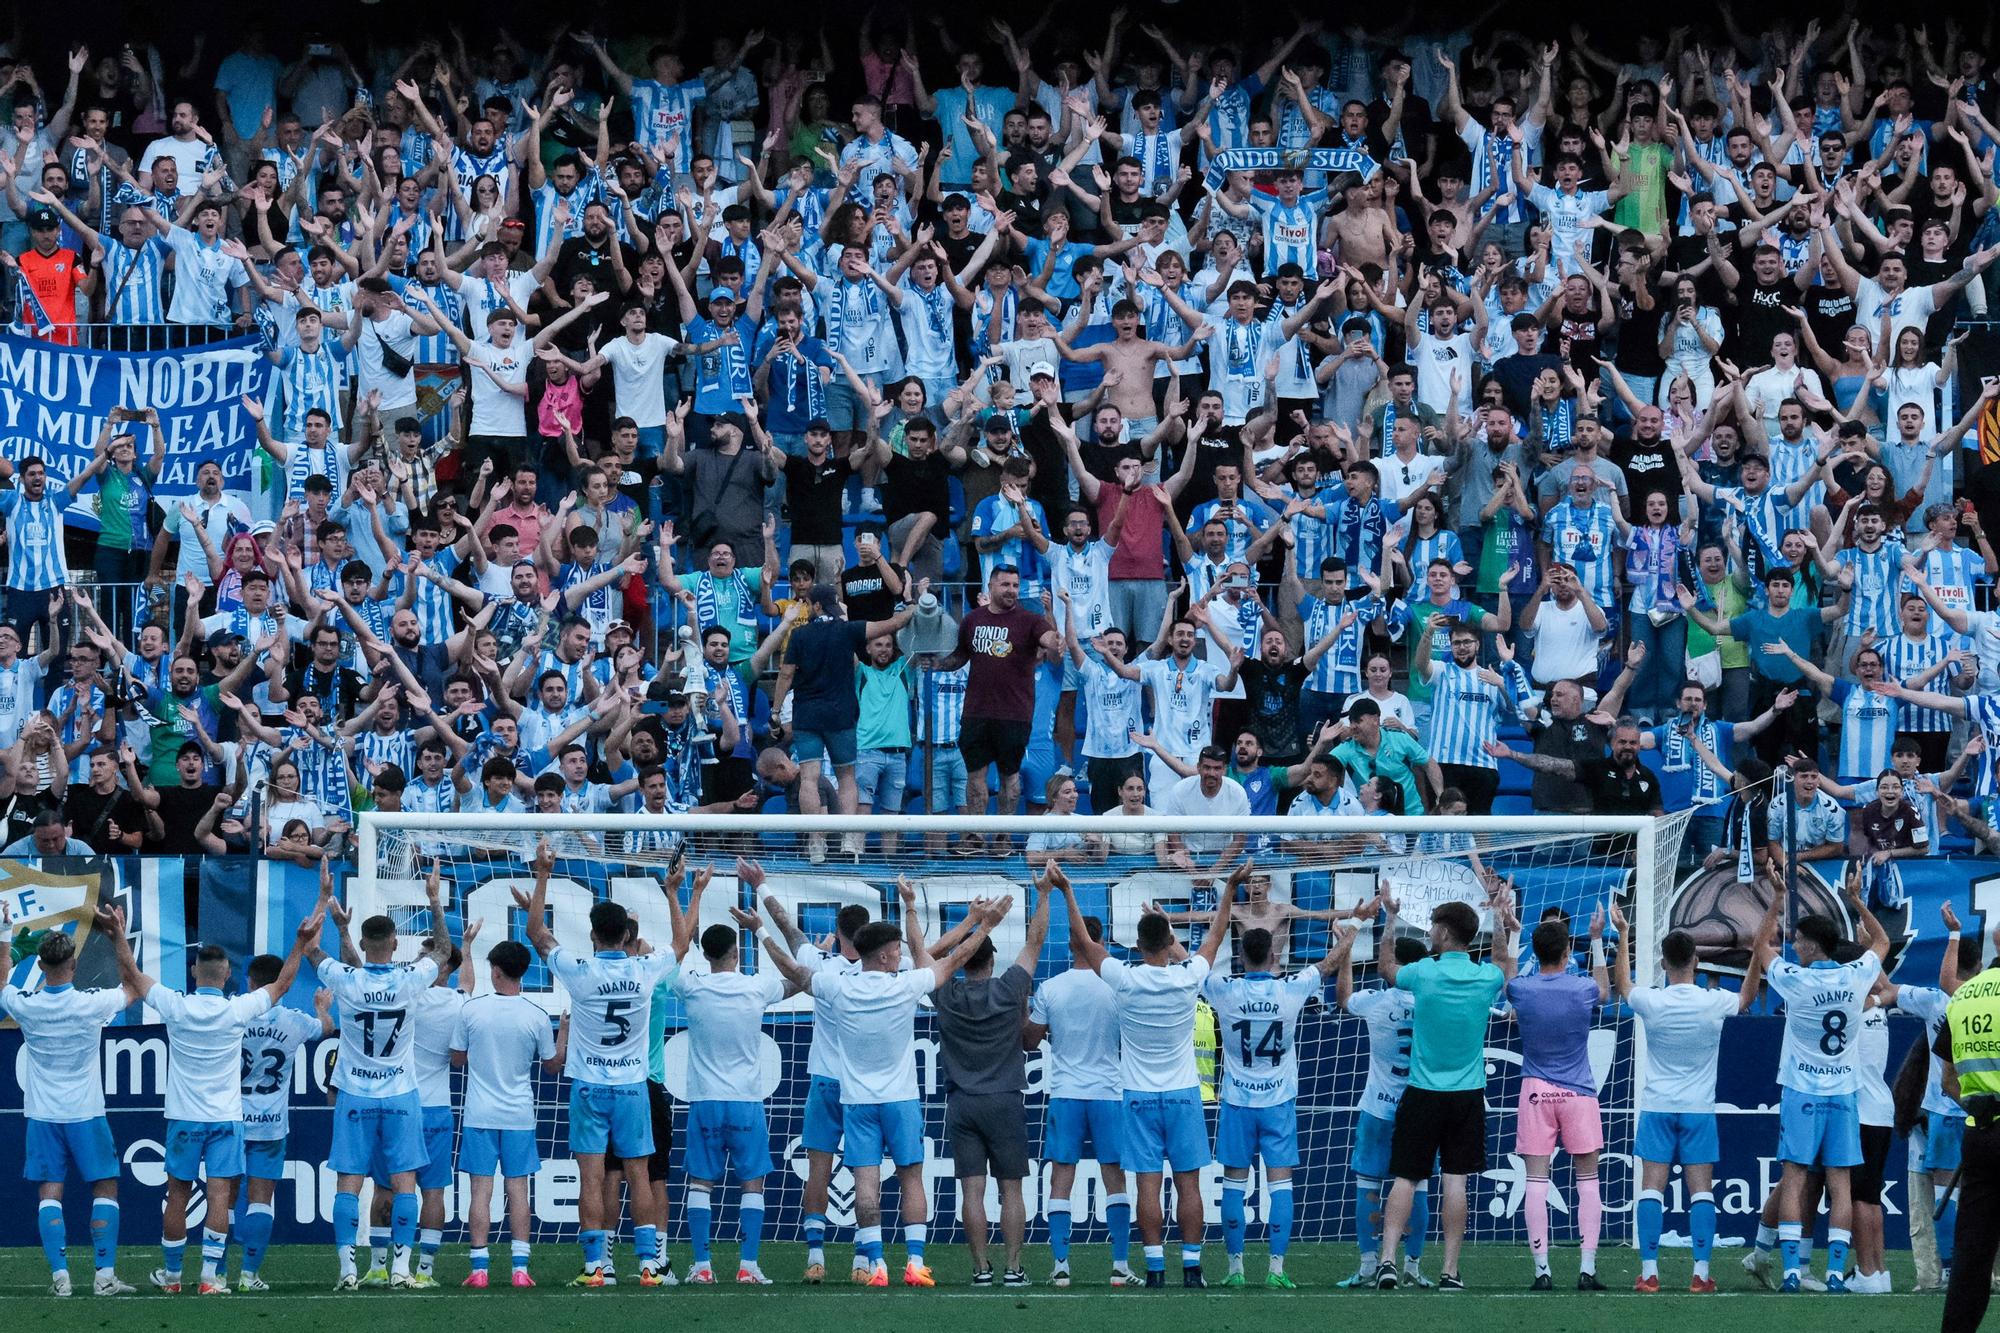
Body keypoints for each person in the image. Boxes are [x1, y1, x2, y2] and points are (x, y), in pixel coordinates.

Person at [765, 893, 1004, 1288]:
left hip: (858, 1101)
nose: (901, 954)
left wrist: (761, 932)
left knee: (866, 1182)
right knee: (912, 1177)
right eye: (896, 950)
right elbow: (954, 961)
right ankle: (914, 1262)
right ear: (883, 956)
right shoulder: (905, 986)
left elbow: (794, 969)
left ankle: (876, 1265)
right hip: (901, 1099)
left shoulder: (839, 987)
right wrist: (986, 926)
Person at [102, 905, 307, 1297]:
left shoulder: (177, 1006)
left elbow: (134, 977)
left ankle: (174, 1276)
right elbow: (281, 986)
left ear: (194, 971)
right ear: (228, 975)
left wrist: (118, 937)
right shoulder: (236, 1010)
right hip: (227, 1119)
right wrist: (300, 942)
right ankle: (211, 1278)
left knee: (177, 1194)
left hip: (184, 1117)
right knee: (218, 1193)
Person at [1049, 861, 1232, 1288]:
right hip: (1184, 1094)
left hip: (1138, 1096)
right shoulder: (1188, 978)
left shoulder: (1125, 980)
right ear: (1171, 941)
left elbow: (1084, 941)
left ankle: (1153, 1268)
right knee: (1189, 1184)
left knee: (1147, 1185)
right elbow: (1217, 933)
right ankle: (1192, 1268)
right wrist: (1230, 889)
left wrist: (1067, 890)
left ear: (1136, 944)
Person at [512, 838, 681, 1287]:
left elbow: (536, 935)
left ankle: (596, 1268)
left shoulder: (580, 970)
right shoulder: (645, 970)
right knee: (639, 1174)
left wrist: (544, 874)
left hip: (588, 1086)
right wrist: (678, 892)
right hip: (631, 1087)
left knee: (591, 1176)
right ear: (628, 936)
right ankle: (648, 1266)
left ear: (592, 935)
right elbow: (681, 944)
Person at [299, 863, 449, 1290]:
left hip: (355, 1093)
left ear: (365, 944)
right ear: (396, 943)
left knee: (349, 1181)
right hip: (401, 1093)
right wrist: (434, 900)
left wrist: (326, 900)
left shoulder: (347, 979)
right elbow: (442, 952)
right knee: (405, 1183)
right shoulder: (410, 979)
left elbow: (310, 947)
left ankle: (349, 1271)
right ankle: (401, 1270)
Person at [1610, 899, 1770, 1293]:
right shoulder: (1712, 1002)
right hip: (1698, 1109)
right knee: (1702, 1190)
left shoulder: (1653, 1001)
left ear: (1664, 963)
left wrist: (1624, 935)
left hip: (1658, 1106)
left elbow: (1624, 986)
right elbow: (1747, 998)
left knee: (1651, 1188)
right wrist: (1754, 956)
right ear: (1696, 960)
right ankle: (1700, 1274)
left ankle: (1650, 1273)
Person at [1752, 878, 1890, 1293]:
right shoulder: (1856, 976)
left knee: (1794, 1176)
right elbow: (1882, 942)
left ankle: (1792, 1272)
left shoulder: (1796, 979)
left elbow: (1760, 950)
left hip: (1802, 1091)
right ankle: (1833, 1274)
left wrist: (1776, 901)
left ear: (1812, 946)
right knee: (1840, 1183)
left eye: (1797, 941)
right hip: (1844, 1093)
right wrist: (1856, 901)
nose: (1793, 946)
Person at [1375, 895, 1518, 1291]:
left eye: (1434, 926)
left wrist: (1389, 918)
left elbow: (1386, 966)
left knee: (1405, 1178)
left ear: (1443, 932)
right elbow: (1505, 966)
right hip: (1467, 1095)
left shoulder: (1423, 973)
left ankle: (1388, 1261)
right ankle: (1450, 1271)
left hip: (1422, 1091)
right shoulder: (1485, 979)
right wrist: (1499, 917)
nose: (1430, 932)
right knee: (1456, 1181)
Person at [0, 900, 142, 1297]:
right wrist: (117, 935)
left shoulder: (26, 1005)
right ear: (74, 966)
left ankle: (61, 1278)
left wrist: (4, 933)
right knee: (105, 1187)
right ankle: (103, 1277)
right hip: (86, 1112)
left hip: (43, 1114)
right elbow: (133, 986)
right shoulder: (91, 1003)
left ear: (41, 968)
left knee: (50, 1192)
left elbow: (0, 986)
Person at [667, 867, 797, 1286]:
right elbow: (799, 980)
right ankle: (748, 1266)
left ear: (705, 954)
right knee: (752, 1186)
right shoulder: (757, 987)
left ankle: (703, 1266)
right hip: (745, 1100)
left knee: (700, 1185)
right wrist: (763, 932)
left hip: (704, 1100)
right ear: (736, 952)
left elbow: (676, 949)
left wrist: (692, 894)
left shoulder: (691, 987)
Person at [1204, 905, 1345, 1288]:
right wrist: (1350, 934)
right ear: (1273, 955)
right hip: (1278, 1101)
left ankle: (1235, 1269)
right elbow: (1327, 965)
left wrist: (1168, 934)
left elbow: (1193, 964)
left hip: (1237, 1101)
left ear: (1239, 956)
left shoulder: (1224, 990)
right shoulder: (1290, 990)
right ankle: (1277, 1269)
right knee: (1280, 1183)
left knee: (1234, 1183)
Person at [931, 871, 1052, 1285]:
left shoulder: (945, 993)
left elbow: (927, 955)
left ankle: (981, 1268)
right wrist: (1044, 893)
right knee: (1012, 1189)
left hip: (962, 1101)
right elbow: (1035, 941)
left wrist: (971, 926)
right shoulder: (1009, 989)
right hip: (1005, 1099)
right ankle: (1014, 1268)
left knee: (972, 1191)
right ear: (993, 961)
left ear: (963, 963)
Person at [1024, 900, 1135, 1287]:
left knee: (1060, 1179)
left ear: (1071, 943)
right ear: (1099, 941)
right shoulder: (1118, 985)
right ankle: (1120, 1266)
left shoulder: (1051, 988)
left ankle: (1060, 1266)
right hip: (1108, 1091)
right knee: (1115, 1179)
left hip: (1066, 1092)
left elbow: (1029, 1041)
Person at [1505, 904, 1612, 1290]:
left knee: (1536, 1180)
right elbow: (1605, 989)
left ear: (1535, 953)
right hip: (1579, 1092)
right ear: (1568, 952)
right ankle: (1586, 1269)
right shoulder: (1582, 988)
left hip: (1536, 1091)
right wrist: (1598, 939)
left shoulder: (1522, 988)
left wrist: (1512, 931)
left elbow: (1507, 980)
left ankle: (1542, 1271)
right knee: (1588, 1179)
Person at [451, 937, 561, 1289]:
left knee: (480, 1192)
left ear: (495, 972)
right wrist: (567, 1032)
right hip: (518, 1115)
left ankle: (480, 1269)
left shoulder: (472, 1010)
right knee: (518, 1192)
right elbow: (552, 1065)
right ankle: (519, 1270)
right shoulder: (537, 1016)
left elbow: (456, 1058)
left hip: (480, 1114)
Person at [1334, 914, 1433, 1289]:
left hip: (1378, 1106)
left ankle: (1366, 1265)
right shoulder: (1433, 1002)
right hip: (1420, 1106)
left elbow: (1343, 999)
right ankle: (1412, 1265)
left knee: (1368, 1185)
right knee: (1418, 1185)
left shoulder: (1375, 1001)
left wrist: (1345, 953)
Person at [931, 565, 1060, 845]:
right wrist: (938, 665)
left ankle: (1003, 837)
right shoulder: (972, 620)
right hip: (976, 713)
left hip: (1014, 715)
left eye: (1015, 585)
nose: (1011, 590)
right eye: (1005, 585)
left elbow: (1050, 640)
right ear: (991, 586)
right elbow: (960, 657)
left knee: (1009, 777)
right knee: (975, 777)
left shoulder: (1030, 620)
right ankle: (975, 837)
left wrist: (1055, 637)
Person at [1936, 914, 2000, 1333]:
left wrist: (1981, 1108)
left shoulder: (1964, 995)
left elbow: (1947, 1080)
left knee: (1972, 1252)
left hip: (1980, 1134)